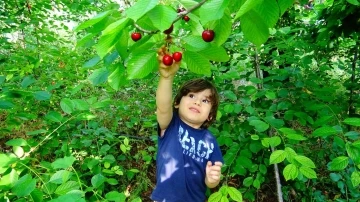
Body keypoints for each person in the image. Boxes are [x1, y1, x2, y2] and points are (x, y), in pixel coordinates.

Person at [150, 46, 224, 202]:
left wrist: (212, 180)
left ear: (210, 116)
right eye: (191, 95)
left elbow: (212, 181)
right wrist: (166, 78)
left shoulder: (210, 141)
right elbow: (163, 107)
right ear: (176, 103)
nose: (197, 102)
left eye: (205, 100)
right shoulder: (170, 125)